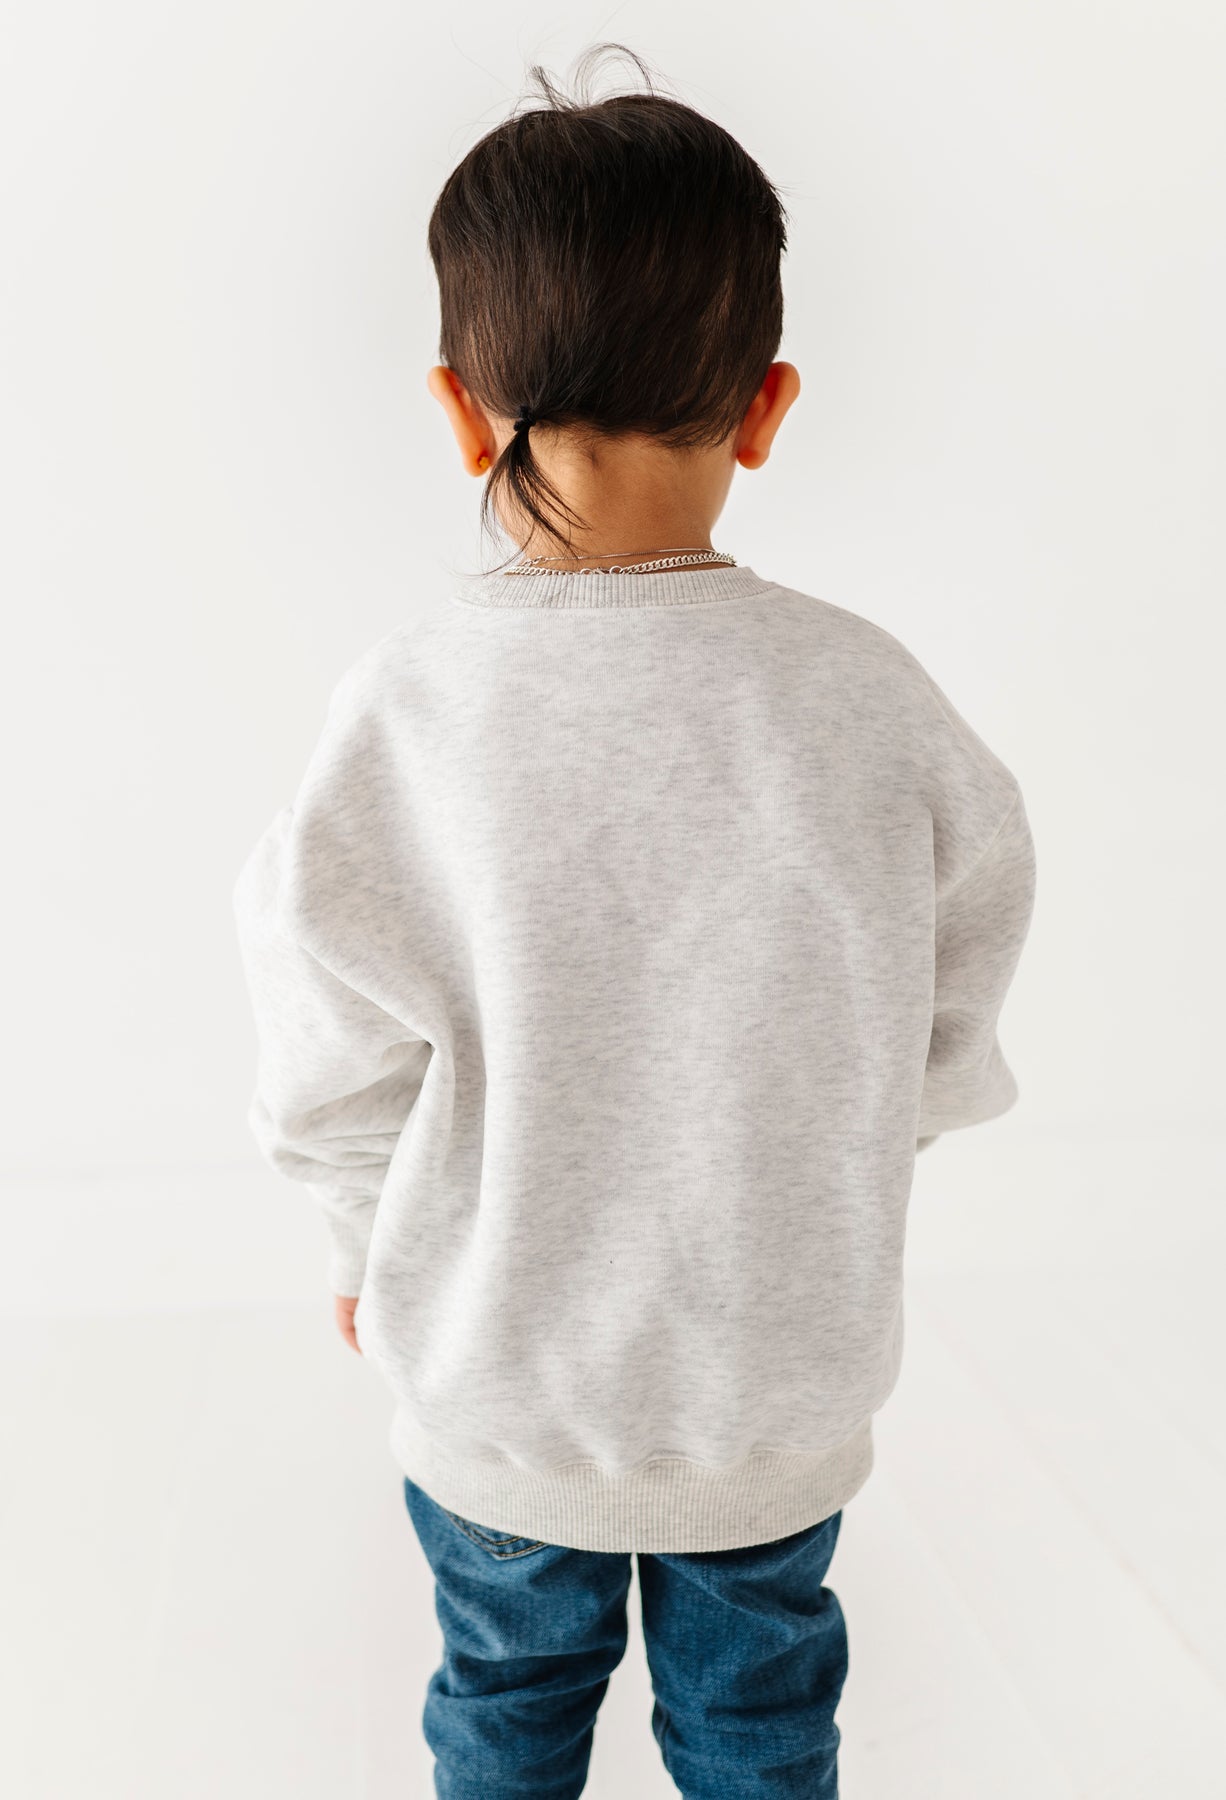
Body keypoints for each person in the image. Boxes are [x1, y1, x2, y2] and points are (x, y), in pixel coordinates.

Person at [231, 43, 1037, 1800]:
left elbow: (324, 1037)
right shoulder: (867, 699)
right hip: (773, 1380)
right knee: (758, 1724)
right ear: (766, 405)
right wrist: (852, 1129)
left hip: (497, 1382)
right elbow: (956, 978)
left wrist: (364, 1242)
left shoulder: (408, 711)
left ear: (460, 411)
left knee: (505, 1704)